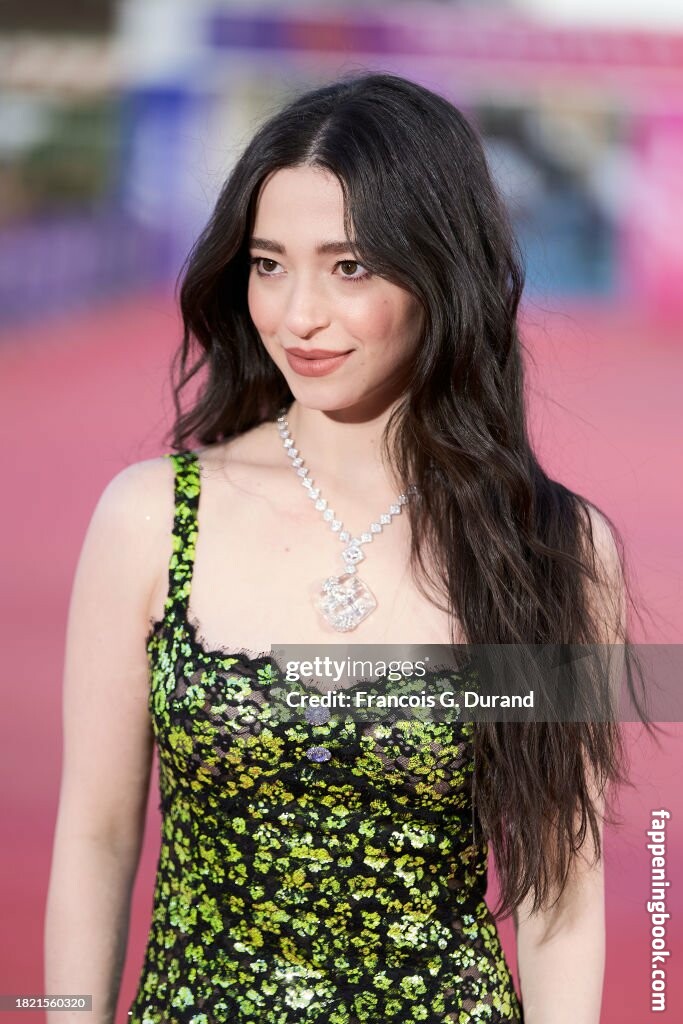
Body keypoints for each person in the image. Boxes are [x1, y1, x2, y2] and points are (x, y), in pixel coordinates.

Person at [44, 72, 649, 1024]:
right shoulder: (152, 517)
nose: (298, 316)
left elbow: (560, 896)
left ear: (441, 270)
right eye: (268, 264)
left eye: (350, 267)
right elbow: (95, 838)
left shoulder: (553, 549)